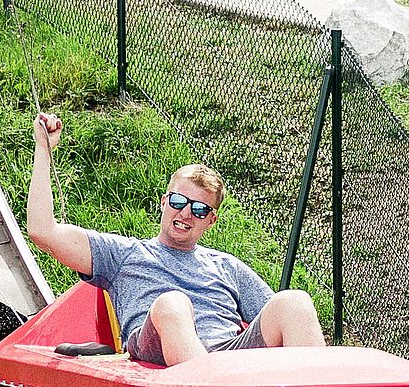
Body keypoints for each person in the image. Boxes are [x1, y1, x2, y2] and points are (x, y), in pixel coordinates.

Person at [27, 113, 326, 367]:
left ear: (211, 220)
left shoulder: (226, 266)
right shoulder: (124, 254)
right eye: (179, 201)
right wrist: (44, 150)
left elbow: (278, 319)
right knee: (173, 304)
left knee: (294, 302)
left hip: (227, 358)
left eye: (199, 209)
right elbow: (43, 231)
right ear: (163, 201)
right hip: (157, 358)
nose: (186, 213)